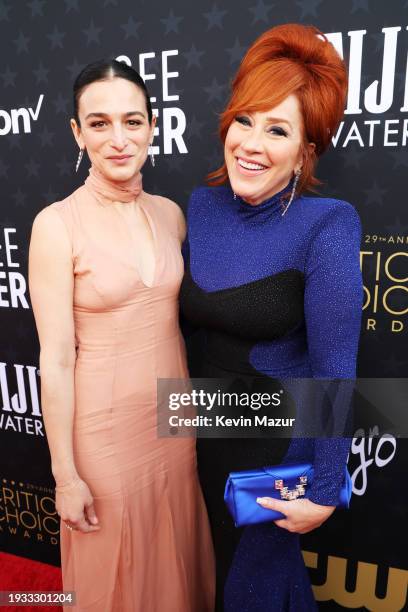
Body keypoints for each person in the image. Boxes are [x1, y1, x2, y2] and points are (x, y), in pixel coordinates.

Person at [180, 24, 363, 611]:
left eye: (278, 129)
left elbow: (336, 364)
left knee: (250, 589)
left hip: (275, 446)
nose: (252, 144)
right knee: (213, 579)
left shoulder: (328, 223)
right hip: (204, 431)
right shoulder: (202, 206)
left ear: (306, 151)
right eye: (245, 120)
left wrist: (328, 489)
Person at [28, 59, 215, 612]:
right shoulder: (56, 224)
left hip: (173, 421)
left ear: (153, 128)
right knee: (112, 577)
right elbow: (57, 361)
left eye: (132, 121)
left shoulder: (171, 215)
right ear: (77, 132)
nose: (118, 139)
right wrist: (65, 474)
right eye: (100, 123)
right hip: (104, 436)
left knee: (174, 558)